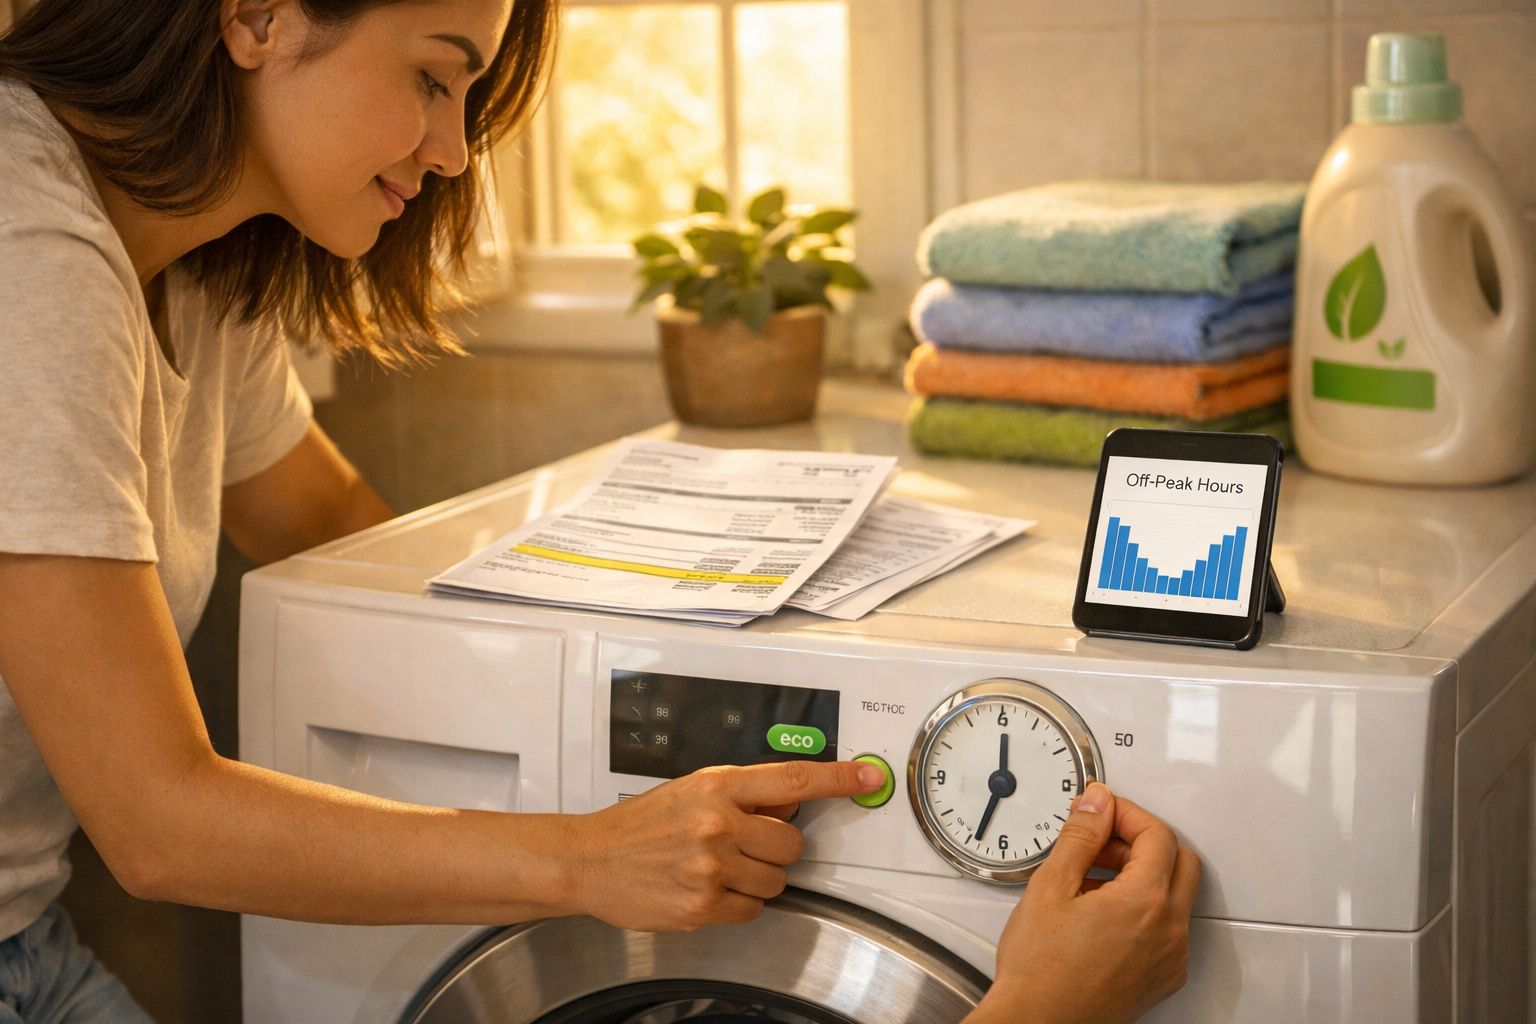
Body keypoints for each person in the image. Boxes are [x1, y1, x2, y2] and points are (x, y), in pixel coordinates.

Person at [0, 1, 1198, 1021]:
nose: (458, 151)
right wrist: (589, 857)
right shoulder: (31, 248)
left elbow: (338, 537)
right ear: (256, 15)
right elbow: (158, 824)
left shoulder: (198, 274)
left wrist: (634, 663)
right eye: (432, 77)